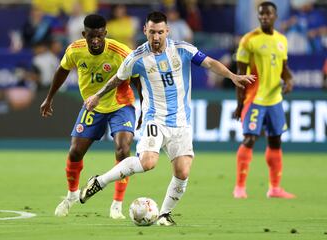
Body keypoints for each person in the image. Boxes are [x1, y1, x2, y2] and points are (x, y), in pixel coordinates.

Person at [79, 11, 255, 226]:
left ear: (167, 31)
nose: (155, 37)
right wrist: (97, 96)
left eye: (160, 32)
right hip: (156, 119)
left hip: (181, 122)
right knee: (148, 162)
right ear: (145, 31)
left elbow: (209, 63)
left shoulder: (182, 49)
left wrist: (233, 76)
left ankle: (164, 214)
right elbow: (118, 79)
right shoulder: (136, 57)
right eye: (151, 32)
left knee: (182, 171)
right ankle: (100, 181)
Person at [40, 14, 141, 219]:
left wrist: (145, 108)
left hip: (120, 105)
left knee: (123, 150)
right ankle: (71, 196)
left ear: (105, 33)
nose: (95, 41)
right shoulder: (75, 50)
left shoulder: (121, 52)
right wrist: (49, 98)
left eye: (99, 36)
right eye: (91, 37)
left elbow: (138, 80)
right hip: (92, 106)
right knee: (75, 151)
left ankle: (117, 205)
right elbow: (62, 70)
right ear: (84, 34)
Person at [232, 2, 295, 199]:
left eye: (268, 14)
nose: (264, 17)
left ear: (275, 16)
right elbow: (240, 75)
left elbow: (283, 68)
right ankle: (240, 186)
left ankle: (274, 188)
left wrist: (289, 79)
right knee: (250, 138)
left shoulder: (282, 40)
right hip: (255, 99)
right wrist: (240, 104)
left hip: (275, 100)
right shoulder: (249, 40)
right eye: (261, 14)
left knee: (275, 141)